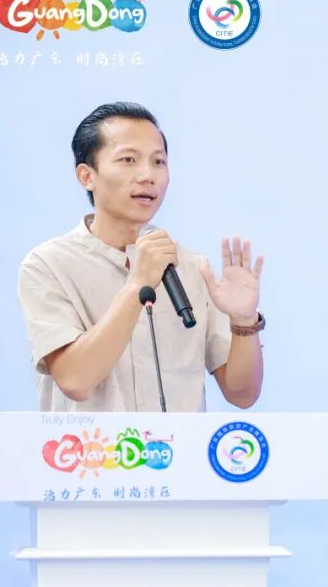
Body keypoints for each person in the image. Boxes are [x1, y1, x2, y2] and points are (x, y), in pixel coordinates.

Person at [18, 102, 266, 411]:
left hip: (177, 445)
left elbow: (242, 394)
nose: (148, 175)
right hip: (91, 444)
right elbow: (75, 380)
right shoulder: (47, 265)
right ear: (86, 176)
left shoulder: (191, 268)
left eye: (158, 161)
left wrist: (243, 321)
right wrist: (138, 283)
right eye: (128, 160)